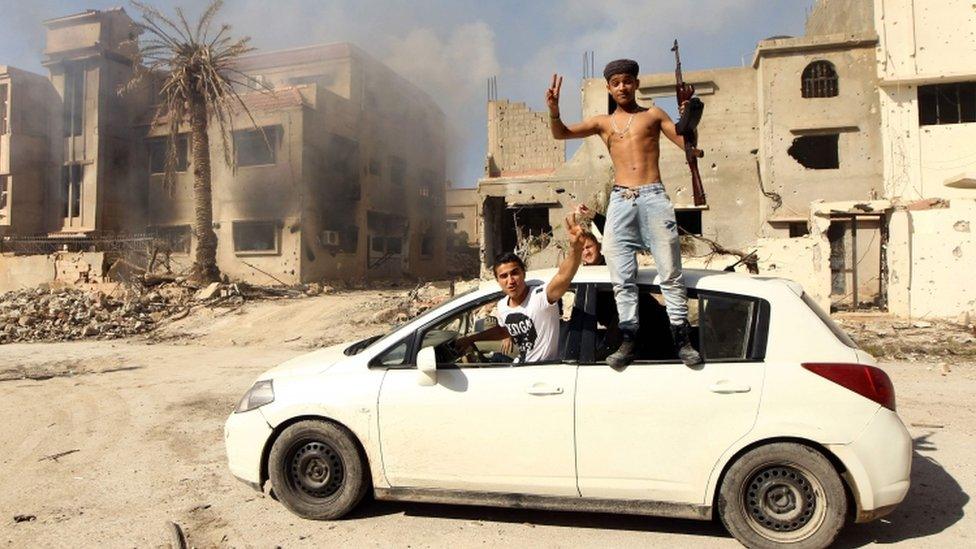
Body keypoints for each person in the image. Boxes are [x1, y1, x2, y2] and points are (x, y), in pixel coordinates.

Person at [546, 60, 703, 368]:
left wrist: (690, 118)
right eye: (616, 83)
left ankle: (681, 339)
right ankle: (628, 338)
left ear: (636, 84)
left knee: (670, 272)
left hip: (653, 195)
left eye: (627, 81)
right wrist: (554, 109)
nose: (622, 87)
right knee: (622, 276)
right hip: (620, 198)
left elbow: (684, 140)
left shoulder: (654, 115)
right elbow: (561, 133)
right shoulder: (603, 123)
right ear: (609, 87)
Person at [456, 214, 585, 363]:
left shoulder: (541, 297)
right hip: (522, 365)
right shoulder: (503, 305)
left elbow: (563, 276)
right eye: (504, 276)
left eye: (515, 273)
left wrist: (576, 248)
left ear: (523, 274)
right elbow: (505, 330)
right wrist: (470, 339)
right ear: (498, 281)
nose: (510, 281)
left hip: (542, 372)